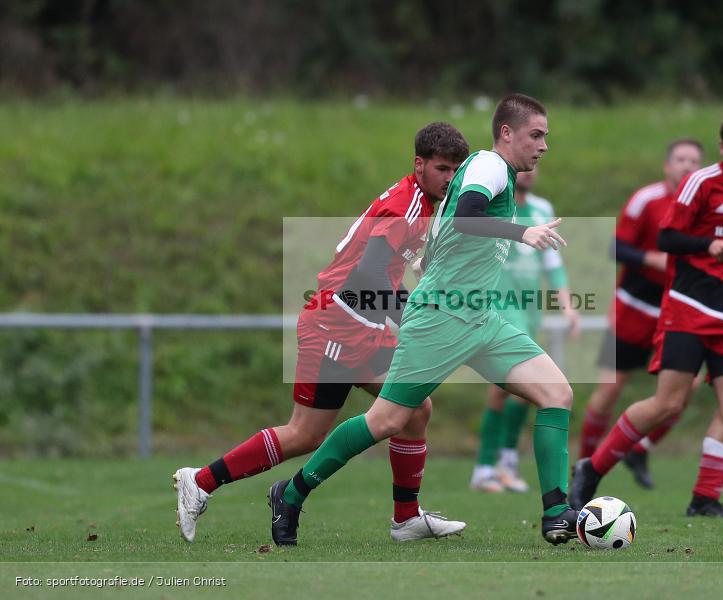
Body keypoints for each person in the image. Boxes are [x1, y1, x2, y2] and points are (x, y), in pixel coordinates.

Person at [268, 94, 581, 546]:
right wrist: (522, 232)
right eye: (536, 134)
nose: (544, 145)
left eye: (545, 136)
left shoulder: (497, 176)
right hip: (440, 319)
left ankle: (557, 513)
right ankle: (292, 493)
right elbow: (470, 216)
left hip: (481, 319)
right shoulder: (488, 167)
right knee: (387, 421)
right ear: (507, 133)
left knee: (557, 393)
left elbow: (448, 228)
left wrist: (429, 262)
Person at [173, 122, 470, 544]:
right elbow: (364, 280)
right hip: (336, 323)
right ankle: (200, 482)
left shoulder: (422, 202)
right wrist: (415, 321)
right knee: (304, 434)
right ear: (419, 164)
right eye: (442, 168)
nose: (450, 178)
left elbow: (381, 277)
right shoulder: (407, 206)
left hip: (363, 325)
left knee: (415, 409)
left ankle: (405, 519)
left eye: (456, 170)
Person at [570, 112, 723, 517]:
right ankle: (590, 469)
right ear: (722, 149)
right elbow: (668, 237)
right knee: (667, 404)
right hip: (689, 305)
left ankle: (705, 498)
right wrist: (706, 245)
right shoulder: (699, 183)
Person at [578, 139, 703, 490]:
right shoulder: (647, 200)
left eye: (694, 160)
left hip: (676, 310)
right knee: (609, 390)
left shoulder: (706, 207)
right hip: (634, 307)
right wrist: (652, 259)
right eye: (680, 159)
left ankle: (640, 448)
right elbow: (614, 246)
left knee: (687, 387)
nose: (687, 166)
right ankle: (583, 467)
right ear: (667, 166)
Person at [470, 165, 580, 493]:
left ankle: (501, 464)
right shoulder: (494, 206)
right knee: (510, 387)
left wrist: (567, 305)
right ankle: (487, 467)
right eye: (524, 167)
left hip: (528, 309)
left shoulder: (543, 209)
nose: (530, 172)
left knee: (518, 391)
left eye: (535, 167)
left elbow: (552, 263)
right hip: (498, 305)